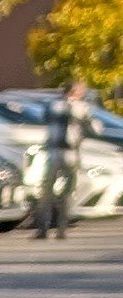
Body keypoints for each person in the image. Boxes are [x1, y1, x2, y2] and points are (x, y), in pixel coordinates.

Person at [47, 80, 93, 238]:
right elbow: (95, 128)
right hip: (70, 153)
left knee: (48, 190)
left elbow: (46, 118)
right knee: (67, 191)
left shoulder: (53, 105)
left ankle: (44, 228)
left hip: (54, 152)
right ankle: (61, 228)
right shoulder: (81, 108)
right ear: (76, 92)